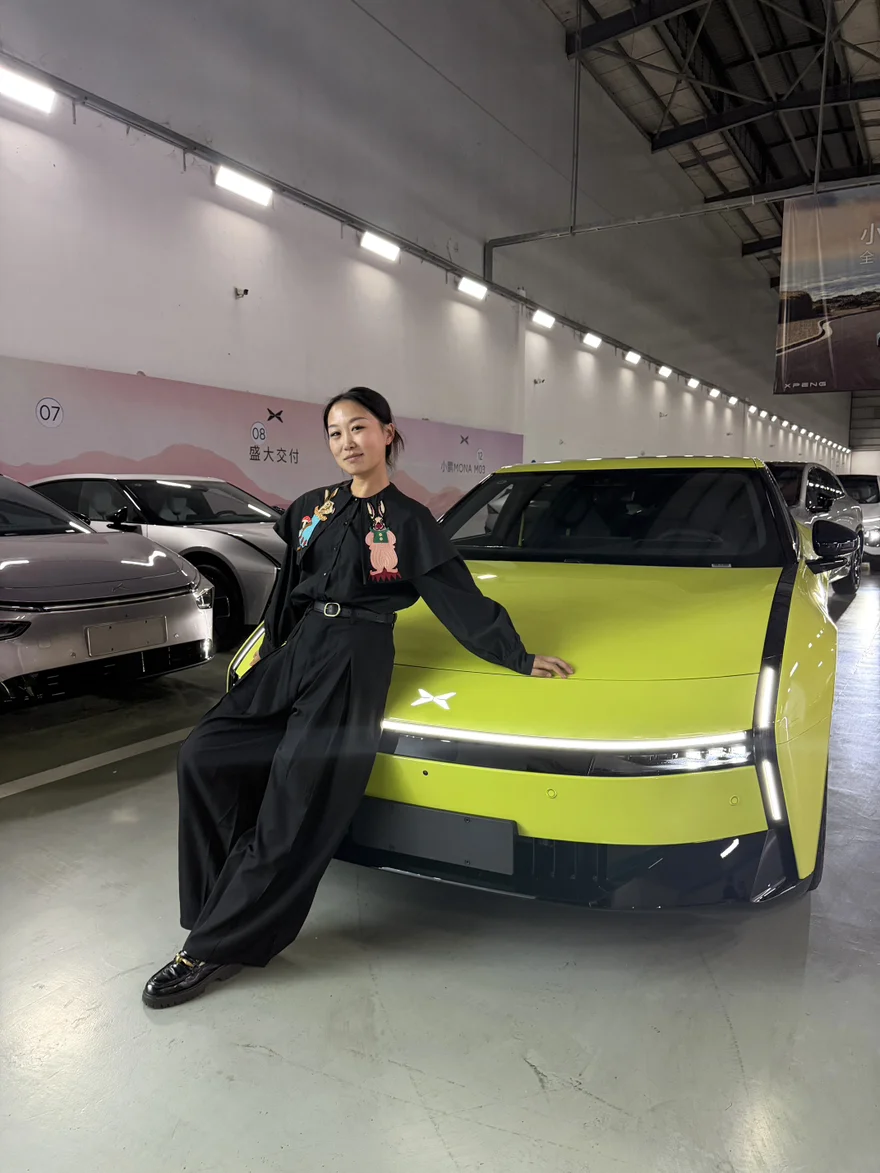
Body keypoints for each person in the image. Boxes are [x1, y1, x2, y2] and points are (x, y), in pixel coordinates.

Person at [142, 387, 574, 1008]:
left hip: (355, 654)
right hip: (298, 647)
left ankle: (211, 947)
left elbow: (459, 597)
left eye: (360, 428)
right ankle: (220, 909)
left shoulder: (410, 522)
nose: (347, 442)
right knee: (204, 754)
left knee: (294, 802)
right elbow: (288, 585)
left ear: (388, 434)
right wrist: (270, 647)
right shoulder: (312, 508)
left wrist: (518, 656)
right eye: (335, 432)